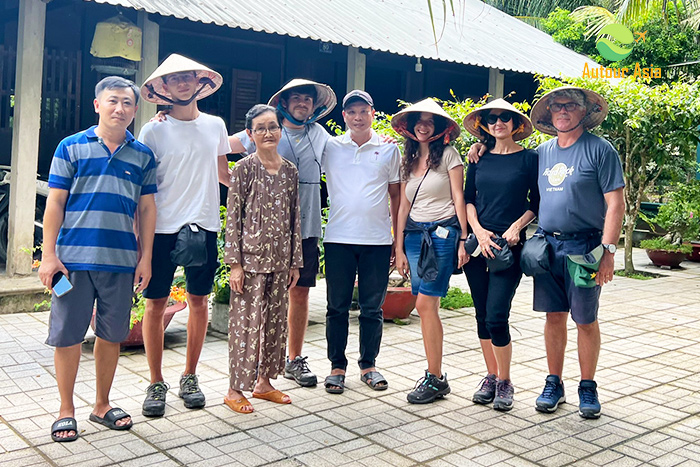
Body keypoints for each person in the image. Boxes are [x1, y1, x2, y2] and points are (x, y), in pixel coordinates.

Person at [468, 86, 624, 419]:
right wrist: (480, 148)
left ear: (584, 112)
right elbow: (510, 167)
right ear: (549, 115)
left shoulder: (601, 150)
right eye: (557, 107)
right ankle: (554, 382)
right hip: (548, 245)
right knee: (554, 317)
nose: (563, 111)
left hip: (586, 247)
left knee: (585, 319)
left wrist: (608, 251)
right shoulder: (543, 152)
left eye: (570, 106)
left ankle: (587, 386)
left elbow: (615, 204)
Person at [39, 76, 157, 441]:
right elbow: (55, 203)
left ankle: (102, 405)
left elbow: (147, 209)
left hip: (121, 260)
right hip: (71, 262)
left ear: (136, 110)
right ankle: (65, 410)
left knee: (112, 335)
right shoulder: (71, 147)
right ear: (97, 105)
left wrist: (146, 258)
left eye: (127, 103)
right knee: (67, 335)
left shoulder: (143, 155)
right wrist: (48, 255)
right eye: (112, 101)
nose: (119, 108)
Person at [137, 54, 232, 417]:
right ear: (163, 88)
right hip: (160, 226)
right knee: (155, 304)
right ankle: (155, 381)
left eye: (187, 77)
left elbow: (223, 173)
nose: (181, 83)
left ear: (199, 82)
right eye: (173, 79)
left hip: (204, 223)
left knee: (199, 302)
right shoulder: (153, 130)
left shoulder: (215, 125)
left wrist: (262, 186)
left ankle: (189, 376)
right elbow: (144, 186)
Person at [228, 79, 336, 388]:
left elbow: (348, 150)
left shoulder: (320, 135)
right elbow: (218, 145)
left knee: (298, 292)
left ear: (314, 106)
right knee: (256, 301)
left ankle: (293, 359)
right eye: (297, 98)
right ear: (284, 104)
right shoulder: (267, 129)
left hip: (305, 228)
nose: (303, 103)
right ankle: (250, 370)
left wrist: (379, 140)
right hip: (262, 233)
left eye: (308, 99)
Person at [223, 104, 303, 413]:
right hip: (250, 261)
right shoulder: (243, 169)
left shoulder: (290, 171)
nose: (268, 133)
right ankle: (233, 389)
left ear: (280, 130)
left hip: (281, 261)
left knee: (273, 324)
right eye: (261, 128)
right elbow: (233, 218)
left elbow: (296, 217)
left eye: (273, 126)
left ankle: (264, 383)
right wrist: (235, 264)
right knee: (246, 326)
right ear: (250, 134)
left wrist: (296, 261)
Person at [461, 99, 539, 411]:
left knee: (497, 315)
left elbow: (537, 201)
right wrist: (477, 230)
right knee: (481, 315)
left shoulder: (529, 159)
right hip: (480, 243)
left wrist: (518, 227)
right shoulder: (478, 158)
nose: (498, 123)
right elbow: (468, 199)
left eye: (505, 118)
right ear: (485, 126)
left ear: (516, 124)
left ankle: (506, 381)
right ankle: (491, 375)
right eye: (492, 119)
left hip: (509, 245)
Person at [322, 90, 401, 394]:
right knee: (336, 307)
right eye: (351, 112)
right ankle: (336, 366)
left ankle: (369, 364)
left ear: (373, 113)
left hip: (377, 240)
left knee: (372, 307)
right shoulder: (330, 147)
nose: (357, 117)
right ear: (344, 116)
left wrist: (397, 239)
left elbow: (395, 196)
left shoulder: (388, 149)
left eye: (363, 111)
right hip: (338, 238)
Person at [391, 98, 468, 404]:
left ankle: (434, 377)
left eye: (429, 122)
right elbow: (402, 207)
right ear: (411, 128)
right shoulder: (407, 160)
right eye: (418, 122)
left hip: (443, 234)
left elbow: (459, 197)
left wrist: (463, 239)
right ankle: (435, 377)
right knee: (426, 305)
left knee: (425, 304)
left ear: (438, 128)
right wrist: (397, 248)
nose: (423, 126)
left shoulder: (449, 155)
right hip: (413, 237)